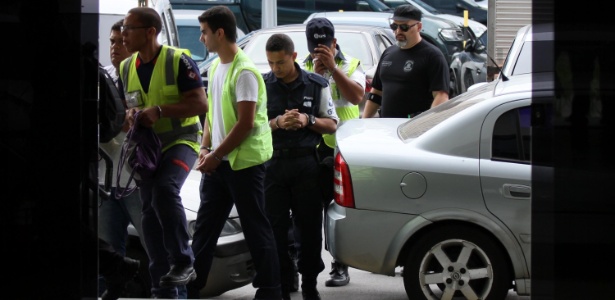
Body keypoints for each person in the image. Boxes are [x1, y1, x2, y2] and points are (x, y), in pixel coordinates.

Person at [186, 6, 282, 300]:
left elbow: (245, 123)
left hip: (244, 165)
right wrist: (205, 148)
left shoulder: (245, 72)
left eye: (204, 32)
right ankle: (192, 287)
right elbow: (212, 117)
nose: (201, 38)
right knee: (205, 228)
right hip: (219, 163)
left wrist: (215, 155)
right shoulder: (215, 67)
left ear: (219, 32)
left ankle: (270, 290)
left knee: (256, 227)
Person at [118, 6, 208, 299]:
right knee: (149, 214)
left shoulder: (178, 60)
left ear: (150, 32)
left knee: (165, 191)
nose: (123, 35)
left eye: (128, 29)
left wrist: (160, 110)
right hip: (147, 147)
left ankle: (184, 261)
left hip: (181, 140)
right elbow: (127, 106)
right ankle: (163, 289)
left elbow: (200, 104)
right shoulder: (125, 66)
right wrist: (130, 116)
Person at [263, 33, 339, 300]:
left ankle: (309, 284)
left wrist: (308, 120)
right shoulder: (263, 84)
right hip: (273, 165)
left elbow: (332, 123)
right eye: (271, 63)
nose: (276, 68)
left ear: (294, 57)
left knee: (308, 229)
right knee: (275, 229)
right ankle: (283, 283)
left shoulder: (315, 84)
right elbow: (253, 124)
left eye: (280, 62)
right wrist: (277, 123)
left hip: (306, 164)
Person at [300, 17, 366, 288]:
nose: (320, 52)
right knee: (309, 209)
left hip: (342, 147)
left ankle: (340, 264)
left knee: (338, 209)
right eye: (315, 48)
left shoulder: (351, 64)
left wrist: (332, 70)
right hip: (312, 145)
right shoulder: (302, 66)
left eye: (324, 47)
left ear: (334, 43)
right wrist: (315, 73)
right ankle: (307, 265)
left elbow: (357, 96)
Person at [97, 18, 146, 298]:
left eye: (121, 41)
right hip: (106, 180)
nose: (115, 47)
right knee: (108, 254)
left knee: (154, 246)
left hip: (136, 179)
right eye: (112, 41)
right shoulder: (104, 79)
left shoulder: (141, 77)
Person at [362, 4, 449, 119]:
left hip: (414, 129)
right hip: (386, 127)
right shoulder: (388, 53)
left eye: (404, 27)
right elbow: (376, 93)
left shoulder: (432, 56)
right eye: (394, 26)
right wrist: (364, 121)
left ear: (419, 27)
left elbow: (441, 97)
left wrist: (425, 125)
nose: (398, 31)